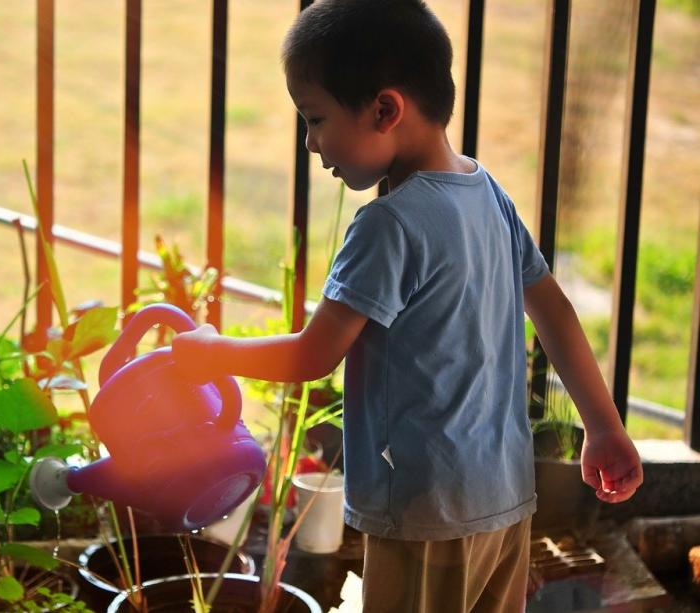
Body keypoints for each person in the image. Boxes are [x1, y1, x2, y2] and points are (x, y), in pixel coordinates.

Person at [170, 1, 643, 611]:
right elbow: (553, 311)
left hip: (427, 513)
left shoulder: (387, 226)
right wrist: (603, 427)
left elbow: (314, 355)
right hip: (504, 500)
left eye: (315, 119)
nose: (312, 144)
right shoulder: (486, 193)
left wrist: (213, 354)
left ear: (385, 109)